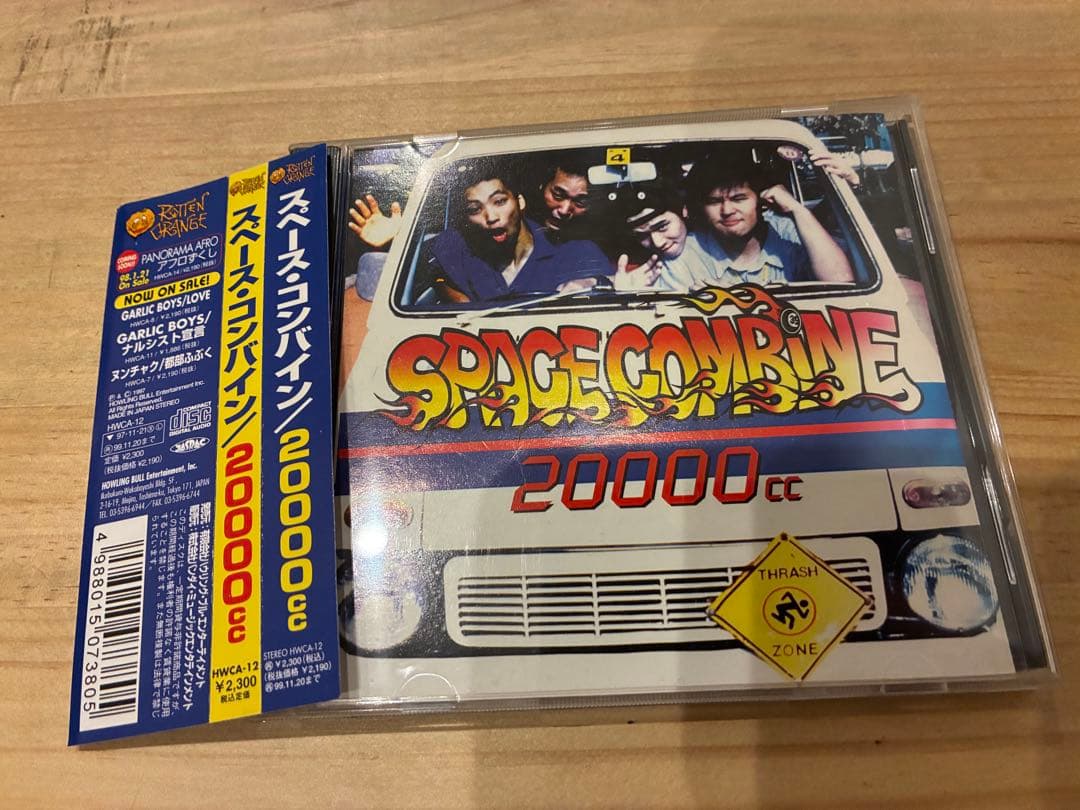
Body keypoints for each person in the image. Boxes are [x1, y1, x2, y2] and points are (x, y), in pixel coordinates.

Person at [658, 154, 854, 290]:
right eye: (714, 202)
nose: (727, 211)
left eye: (739, 199)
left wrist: (797, 209)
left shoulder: (787, 232)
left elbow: (840, 282)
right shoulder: (687, 254)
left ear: (761, 200)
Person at [423, 161, 609, 303]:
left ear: (520, 202)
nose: (491, 217)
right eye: (475, 209)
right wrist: (450, 293)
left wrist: (595, 283)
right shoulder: (455, 246)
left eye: (499, 202)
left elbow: (606, 288)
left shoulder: (578, 252)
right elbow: (434, 272)